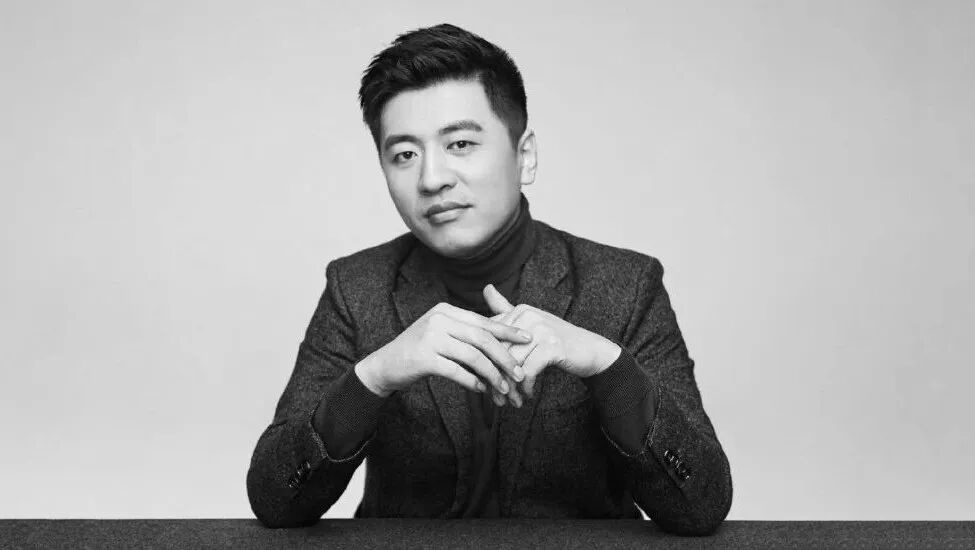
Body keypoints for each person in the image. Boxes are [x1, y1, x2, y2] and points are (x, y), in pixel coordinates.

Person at [246, 23, 732, 535]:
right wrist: (375, 377)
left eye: (460, 143)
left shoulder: (627, 285)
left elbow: (701, 506)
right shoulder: (356, 287)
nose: (432, 178)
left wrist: (606, 366)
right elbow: (276, 502)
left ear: (525, 157)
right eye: (405, 154)